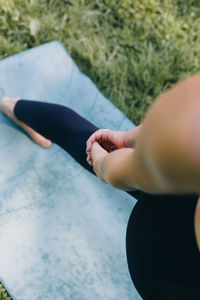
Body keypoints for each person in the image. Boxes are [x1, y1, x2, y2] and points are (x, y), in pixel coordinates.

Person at [0, 73, 200, 300]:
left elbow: (181, 117)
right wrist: (107, 160)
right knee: (95, 147)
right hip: (165, 259)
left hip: (177, 200)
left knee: (92, 143)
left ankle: (14, 106)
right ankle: (13, 106)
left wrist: (121, 146)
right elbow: (117, 171)